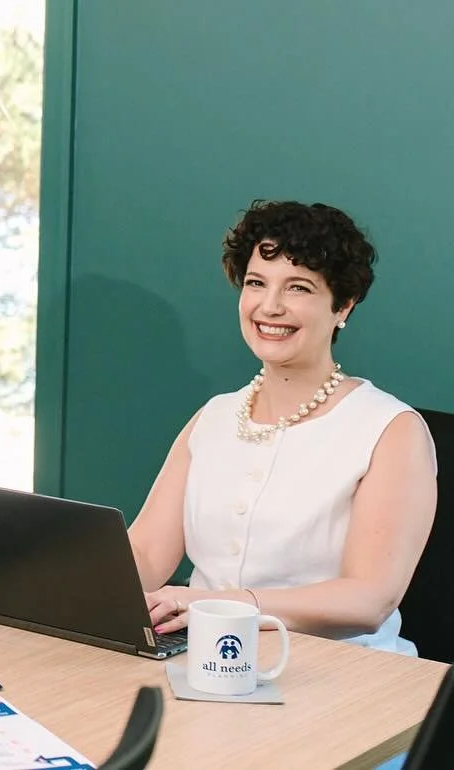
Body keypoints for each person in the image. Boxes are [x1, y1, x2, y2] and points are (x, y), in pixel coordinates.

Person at [129, 200, 436, 655]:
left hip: (347, 674)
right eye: (256, 283)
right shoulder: (214, 417)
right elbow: (147, 555)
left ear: (343, 306)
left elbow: (369, 598)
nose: (269, 306)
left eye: (298, 288)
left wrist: (220, 604)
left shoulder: (391, 430)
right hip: (203, 657)